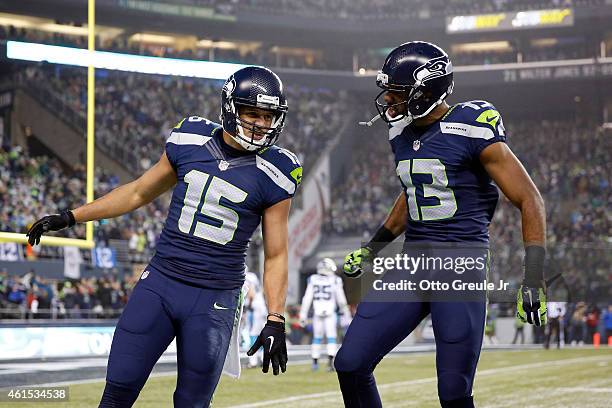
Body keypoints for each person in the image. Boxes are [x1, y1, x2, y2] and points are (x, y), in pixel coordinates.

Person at [26, 66, 302, 407]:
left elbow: (276, 253)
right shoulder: (190, 139)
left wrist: (276, 316)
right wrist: (71, 217)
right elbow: (138, 193)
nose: (261, 124)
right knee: (117, 391)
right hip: (161, 283)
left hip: (215, 298)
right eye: (252, 113)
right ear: (230, 108)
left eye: (268, 116)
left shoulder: (278, 170)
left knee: (192, 403)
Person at [336, 42, 547, 408]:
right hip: (413, 261)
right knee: (350, 364)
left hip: (460, 264)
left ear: (426, 90)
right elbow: (413, 193)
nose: (389, 99)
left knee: (453, 392)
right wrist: (373, 248)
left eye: (398, 92)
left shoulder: (471, 124)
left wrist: (534, 278)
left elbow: (530, 198)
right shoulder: (400, 132)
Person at [299, 258, 349, 371]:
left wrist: (303, 314)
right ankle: (330, 362)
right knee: (331, 337)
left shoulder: (313, 279)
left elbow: (307, 298)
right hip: (330, 312)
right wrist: (345, 313)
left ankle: (315, 363)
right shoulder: (335, 280)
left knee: (317, 338)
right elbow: (341, 299)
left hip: (317, 312)